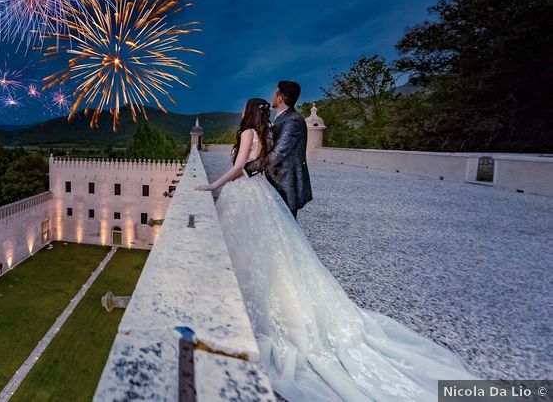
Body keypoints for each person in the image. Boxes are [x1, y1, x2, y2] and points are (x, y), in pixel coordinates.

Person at [197, 98, 476, 401]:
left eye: (242, 109)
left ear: (248, 112)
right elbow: (258, 167)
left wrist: (214, 186)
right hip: (260, 194)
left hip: (243, 196)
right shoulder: (265, 134)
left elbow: (239, 168)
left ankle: (239, 308)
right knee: (268, 254)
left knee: (245, 252)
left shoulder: (246, 132)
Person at [267, 80, 312, 219]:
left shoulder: (293, 120)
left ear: (280, 98)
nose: (272, 97)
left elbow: (278, 153)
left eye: (274, 94)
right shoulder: (282, 118)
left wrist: (249, 169)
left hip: (286, 183)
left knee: (286, 227)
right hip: (277, 181)